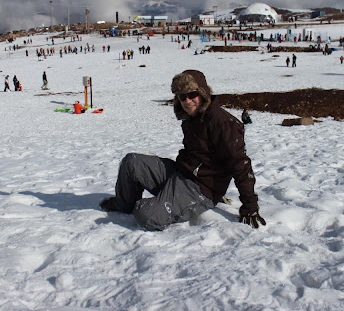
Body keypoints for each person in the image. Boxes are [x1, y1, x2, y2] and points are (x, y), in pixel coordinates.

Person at [99, 70, 264, 231]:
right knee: (131, 162)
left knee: (147, 216)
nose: (187, 101)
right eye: (182, 96)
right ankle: (125, 204)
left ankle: (156, 206)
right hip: (181, 174)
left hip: (202, 190)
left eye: (192, 94)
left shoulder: (222, 123)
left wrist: (250, 206)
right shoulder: (192, 118)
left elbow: (240, 164)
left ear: (203, 93)